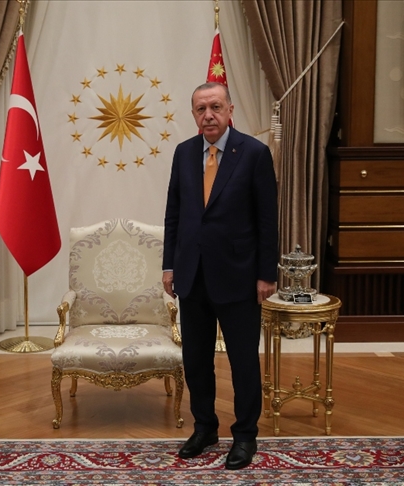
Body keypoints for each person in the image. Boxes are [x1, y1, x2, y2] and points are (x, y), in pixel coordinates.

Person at [162, 82, 278, 470]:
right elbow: (174, 213)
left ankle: (245, 436)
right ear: (193, 114)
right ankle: (205, 428)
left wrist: (266, 273)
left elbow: (267, 219)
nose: (208, 115)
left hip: (239, 277)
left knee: (243, 362)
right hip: (192, 276)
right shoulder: (184, 152)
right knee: (196, 360)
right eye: (201, 109)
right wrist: (169, 265)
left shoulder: (255, 153)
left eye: (215, 107)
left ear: (230, 110)